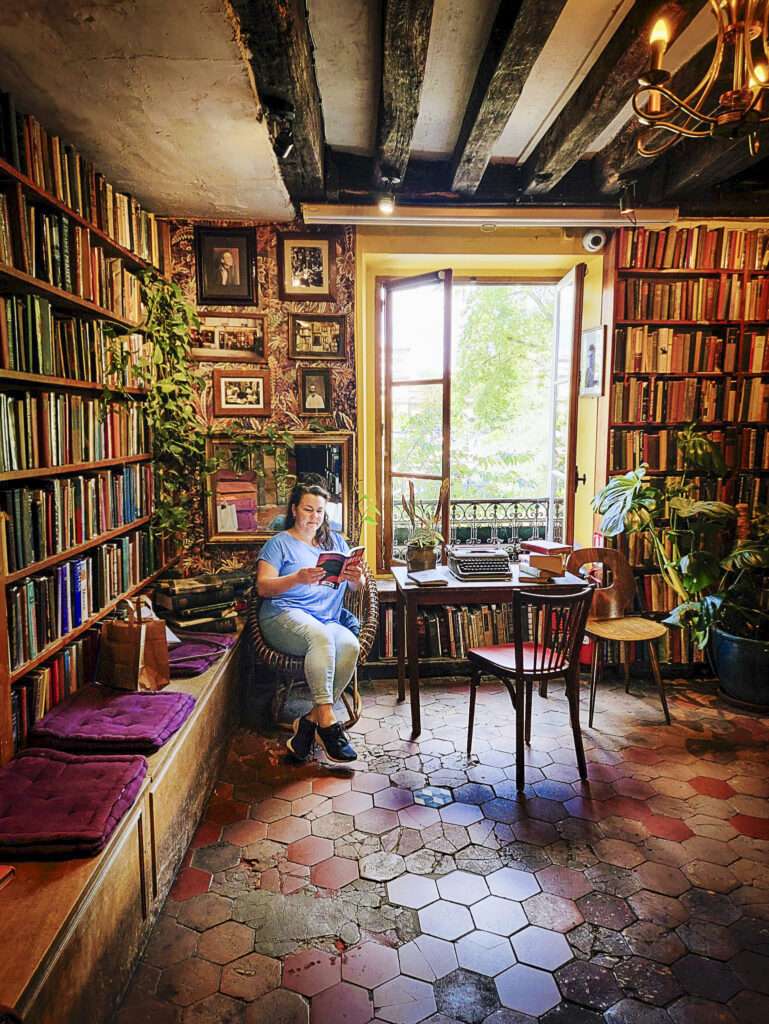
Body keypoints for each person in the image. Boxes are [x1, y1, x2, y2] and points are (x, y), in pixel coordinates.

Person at [257, 482, 363, 762]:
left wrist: (356, 578)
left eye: (319, 511)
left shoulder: (335, 542)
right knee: (320, 637)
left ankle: (308, 723)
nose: (314, 516)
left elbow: (355, 589)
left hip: (326, 619)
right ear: (294, 510)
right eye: (308, 509)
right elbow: (263, 588)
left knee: (350, 645)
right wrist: (297, 578)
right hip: (282, 616)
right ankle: (327, 722)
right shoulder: (278, 543)